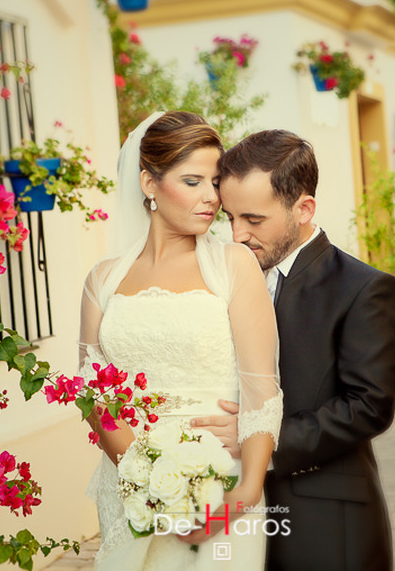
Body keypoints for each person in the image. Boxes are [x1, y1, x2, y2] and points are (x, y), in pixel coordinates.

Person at [78, 111, 283, 570]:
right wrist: (145, 479)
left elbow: (261, 390)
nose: (211, 198)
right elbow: (92, 394)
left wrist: (245, 492)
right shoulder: (103, 281)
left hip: (223, 488)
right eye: (193, 182)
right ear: (150, 184)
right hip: (129, 486)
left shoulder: (234, 265)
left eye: (215, 182)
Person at [193, 129, 395, 570]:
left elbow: (369, 406)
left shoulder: (364, 288)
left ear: (303, 208)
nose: (238, 234)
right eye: (229, 218)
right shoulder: (215, 276)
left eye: (254, 219)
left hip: (323, 513)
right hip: (226, 514)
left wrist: (259, 440)